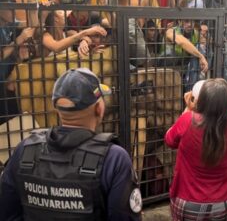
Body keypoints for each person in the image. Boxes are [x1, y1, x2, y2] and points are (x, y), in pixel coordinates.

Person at [0, 68, 142, 220]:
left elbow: (6, 213)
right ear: (99, 108)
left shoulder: (25, 151)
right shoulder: (114, 159)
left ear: (57, 109)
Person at [165, 78, 227, 221]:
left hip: (188, 200)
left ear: (201, 100)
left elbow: (169, 140)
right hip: (225, 201)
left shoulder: (188, 120)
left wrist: (188, 110)